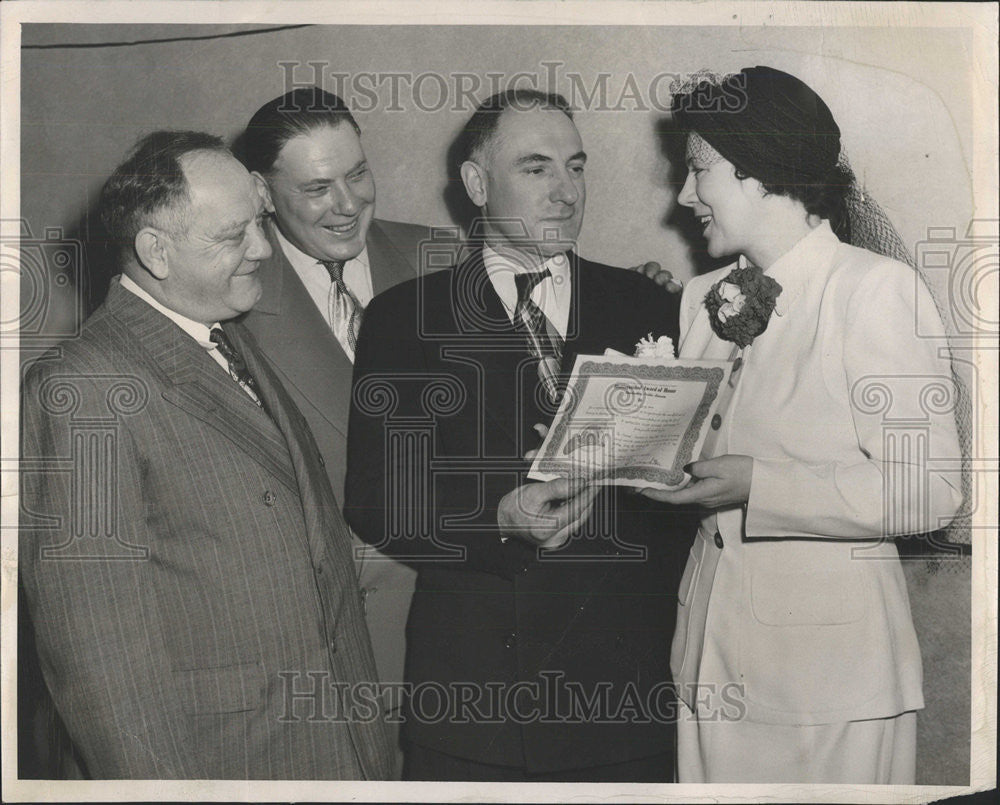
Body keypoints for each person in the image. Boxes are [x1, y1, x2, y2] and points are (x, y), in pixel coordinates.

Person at [345, 89, 698, 782]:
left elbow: (680, 494)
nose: (565, 192)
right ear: (477, 184)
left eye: (575, 166)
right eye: (536, 168)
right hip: (478, 699)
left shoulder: (648, 304)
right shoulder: (405, 318)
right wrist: (497, 518)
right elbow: (380, 498)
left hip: (623, 694)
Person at [19, 131, 393, 779]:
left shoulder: (226, 331)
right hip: (229, 764)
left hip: (333, 748)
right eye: (231, 237)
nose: (264, 249)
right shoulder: (86, 386)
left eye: (260, 224)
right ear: (155, 253)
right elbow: (99, 661)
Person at [643, 66, 963, 783]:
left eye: (698, 171)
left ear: (760, 170)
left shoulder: (874, 291)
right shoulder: (700, 300)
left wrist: (760, 484)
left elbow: (931, 491)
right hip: (706, 665)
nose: (684, 195)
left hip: (833, 680)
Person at [233, 89, 435, 773]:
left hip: (457, 626)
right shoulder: (234, 298)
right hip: (328, 646)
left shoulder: (443, 257)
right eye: (317, 187)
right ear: (262, 192)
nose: (348, 203)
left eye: (358, 173)